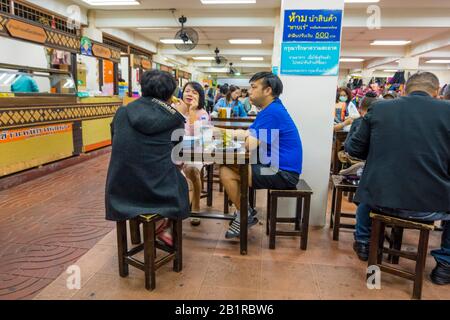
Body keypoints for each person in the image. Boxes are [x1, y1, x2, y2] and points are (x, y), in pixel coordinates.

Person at [346, 72, 450, 285]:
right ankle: (445, 266)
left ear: (403, 90)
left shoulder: (380, 107)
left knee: (371, 182)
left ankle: (365, 242)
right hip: (431, 204)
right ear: (437, 91)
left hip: (381, 200)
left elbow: (354, 149)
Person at [105, 70, 190, 246]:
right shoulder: (175, 118)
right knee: (181, 179)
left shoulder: (122, 113)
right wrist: (181, 114)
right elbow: (178, 156)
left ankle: (149, 229)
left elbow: (117, 142)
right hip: (161, 193)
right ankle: (164, 225)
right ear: (171, 94)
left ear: (143, 88)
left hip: (121, 191)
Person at [220, 72, 303, 238]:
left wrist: (222, 135)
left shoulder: (272, 112)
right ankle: (245, 212)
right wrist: (221, 132)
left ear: (268, 90)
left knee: (226, 168)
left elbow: (250, 143)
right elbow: (248, 133)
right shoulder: (271, 109)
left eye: (253, 87)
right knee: (226, 169)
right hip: (275, 168)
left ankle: (244, 213)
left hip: (282, 173)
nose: (249, 91)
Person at [182, 81, 210, 226]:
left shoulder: (203, 114)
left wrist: (192, 111)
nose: (190, 94)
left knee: (192, 170)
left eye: (194, 92)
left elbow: (197, 137)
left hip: (195, 153)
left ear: (200, 97)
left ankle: (196, 205)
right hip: (175, 152)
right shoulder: (175, 109)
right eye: (187, 91)